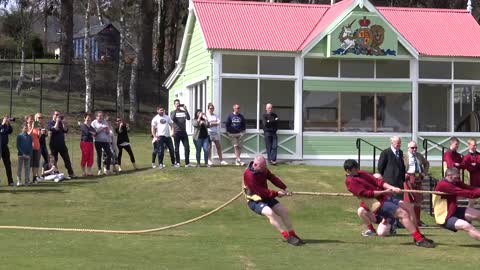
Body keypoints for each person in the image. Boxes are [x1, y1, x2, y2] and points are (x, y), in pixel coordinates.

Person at [344, 159, 435, 248]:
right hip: (377, 203)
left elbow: (378, 181)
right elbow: (367, 194)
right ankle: (419, 240)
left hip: (384, 198)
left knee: (408, 207)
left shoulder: (362, 173)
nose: (357, 170)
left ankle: (419, 236)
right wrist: (385, 192)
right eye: (354, 169)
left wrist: (392, 188)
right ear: (348, 171)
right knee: (403, 214)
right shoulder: (350, 182)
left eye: (357, 167)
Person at [243, 155, 305, 246]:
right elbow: (261, 192)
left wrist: (284, 188)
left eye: (265, 168)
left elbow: (272, 178)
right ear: (255, 165)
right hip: (255, 200)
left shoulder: (263, 169)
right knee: (270, 213)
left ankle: (293, 234)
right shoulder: (249, 175)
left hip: (266, 197)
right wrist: (277, 194)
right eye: (262, 168)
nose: (264, 170)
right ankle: (287, 237)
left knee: (283, 211)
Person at [434, 167, 480, 241]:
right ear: (449, 176)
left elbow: (469, 188)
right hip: (445, 216)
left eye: (458, 177)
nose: (458, 179)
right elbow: (468, 193)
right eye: (456, 178)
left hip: (454, 210)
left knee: (478, 214)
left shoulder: (454, 182)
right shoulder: (443, 185)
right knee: (467, 226)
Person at [403, 140, 430, 227]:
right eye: (412, 148)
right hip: (408, 178)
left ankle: (417, 220)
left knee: (418, 201)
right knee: (408, 201)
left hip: (418, 178)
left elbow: (426, 163)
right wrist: (403, 173)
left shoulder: (419, 155)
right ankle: (409, 220)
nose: (414, 149)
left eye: (415, 147)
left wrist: (424, 173)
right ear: (408, 148)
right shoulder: (404, 156)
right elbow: (399, 166)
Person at [48, 110, 75, 179]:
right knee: (54, 160)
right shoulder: (50, 122)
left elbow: (65, 130)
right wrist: (57, 121)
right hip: (53, 145)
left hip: (62, 145)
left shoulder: (61, 123)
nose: (58, 116)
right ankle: (55, 174)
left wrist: (64, 123)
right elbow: (54, 129)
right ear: (53, 115)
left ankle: (71, 173)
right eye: (56, 115)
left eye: (59, 115)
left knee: (67, 159)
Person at [171, 99, 192, 167]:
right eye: (176, 103)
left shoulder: (183, 112)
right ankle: (178, 163)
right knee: (177, 149)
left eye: (178, 103)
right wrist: (176, 110)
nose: (178, 104)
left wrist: (186, 109)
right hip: (177, 133)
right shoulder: (173, 112)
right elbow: (172, 118)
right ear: (174, 105)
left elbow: (188, 118)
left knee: (187, 147)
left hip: (183, 132)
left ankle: (187, 163)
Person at [91, 111, 114, 175]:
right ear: (96, 117)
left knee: (109, 154)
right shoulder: (94, 123)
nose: (101, 117)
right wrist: (101, 128)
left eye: (102, 116)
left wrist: (107, 130)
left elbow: (108, 132)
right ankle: (99, 170)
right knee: (99, 155)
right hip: (97, 141)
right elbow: (93, 133)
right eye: (99, 116)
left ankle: (107, 169)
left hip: (105, 141)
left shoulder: (105, 122)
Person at [462, 138, 480, 207]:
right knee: (472, 200)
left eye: (476, 145)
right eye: (473, 145)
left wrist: (475, 164)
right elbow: (467, 166)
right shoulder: (467, 156)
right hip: (473, 180)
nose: (475, 147)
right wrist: (475, 165)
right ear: (469, 146)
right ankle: (468, 214)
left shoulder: (479, 155)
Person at [26, 115, 41, 183]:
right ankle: (27, 178)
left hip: (37, 147)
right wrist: (32, 127)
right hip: (29, 148)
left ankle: (34, 178)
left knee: (35, 164)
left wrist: (40, 130)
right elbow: (29, 135)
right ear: (27, 120)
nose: (32, 120)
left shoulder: (35, 127)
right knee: (29, 164)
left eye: (32, 119)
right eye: (30, 119)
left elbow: (39, 136)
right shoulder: (26, 127)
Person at [0, 116, 14, 186]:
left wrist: (8, 123)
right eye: (6, 119)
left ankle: (10, 181)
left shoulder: (6, 126)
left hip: (5, 147)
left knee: (8, 164)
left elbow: (10, 131)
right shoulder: (1, 125)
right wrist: (3, 124)